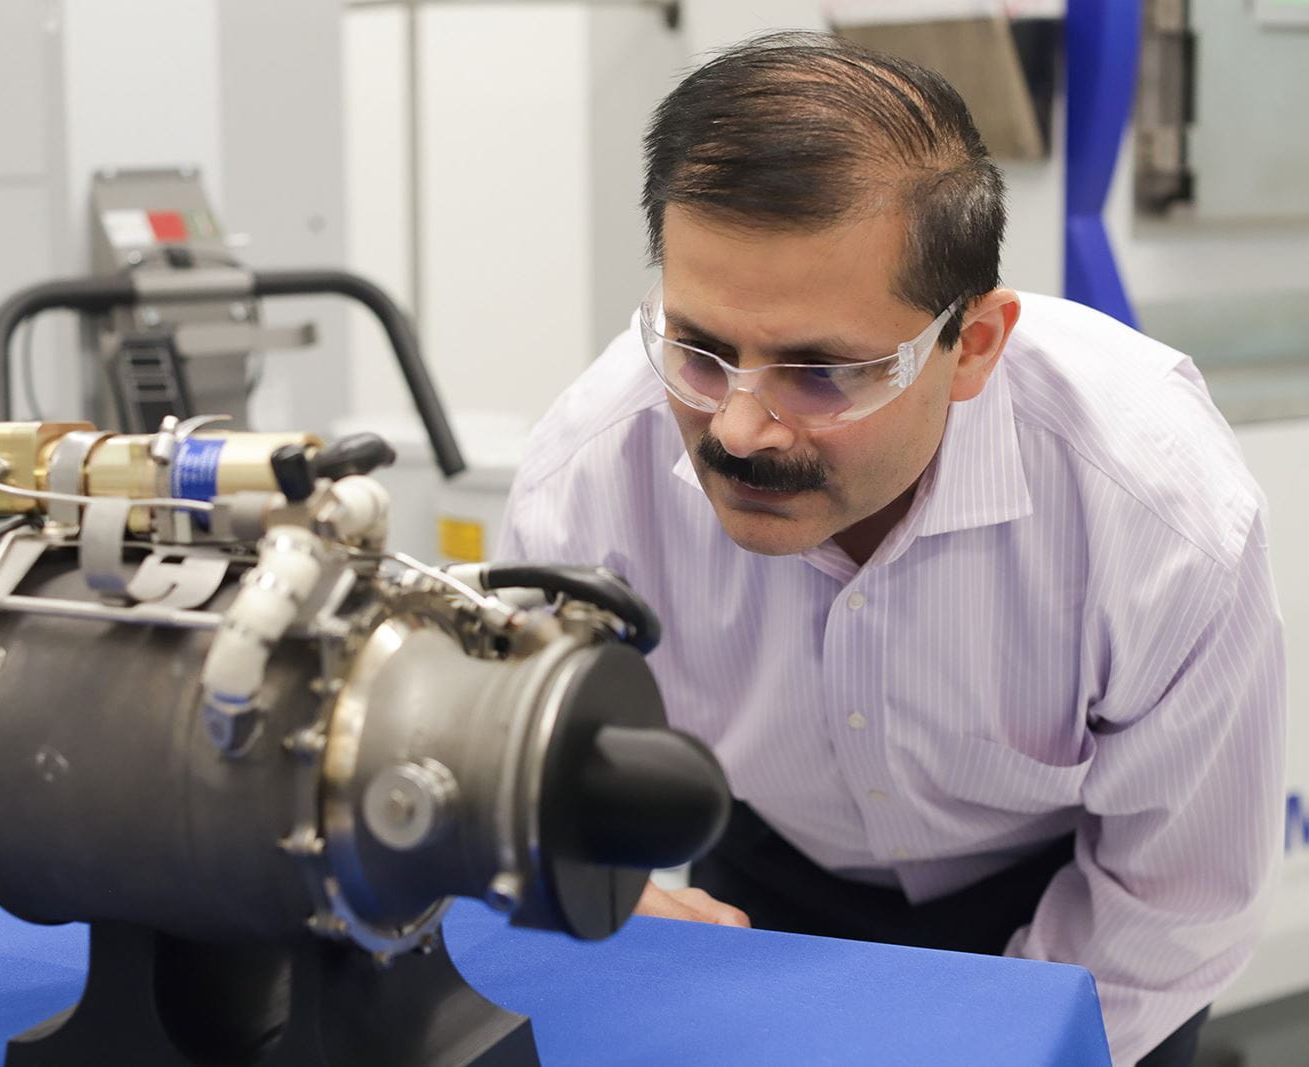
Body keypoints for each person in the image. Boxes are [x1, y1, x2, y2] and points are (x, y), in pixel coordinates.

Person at [497, 31, 1285, 1067]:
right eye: (699, 349)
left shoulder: (1155, 510)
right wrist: (579, 866)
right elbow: (507, 751)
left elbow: (1181, 890)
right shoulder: (591, 473)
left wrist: (995, 1042)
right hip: (771, 873)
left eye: (820, 371)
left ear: (973, 347)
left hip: (1078, 899)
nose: (737, 428)